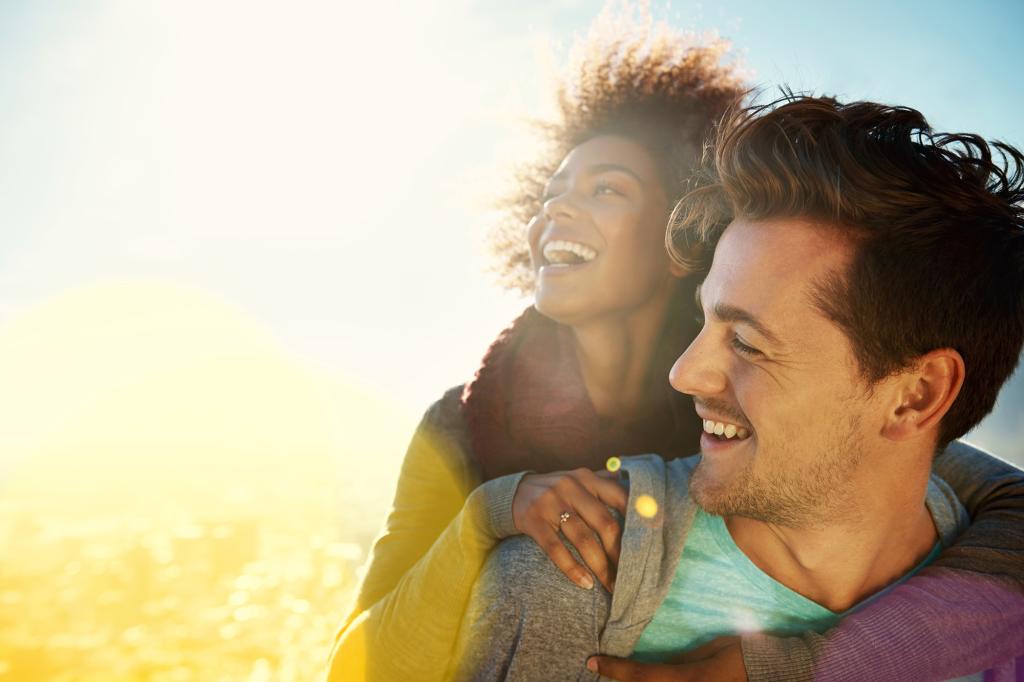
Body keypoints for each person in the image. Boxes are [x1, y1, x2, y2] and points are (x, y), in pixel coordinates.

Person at [327, 10, 1024, 681]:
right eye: (551, 191)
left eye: (607, 188)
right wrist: (486, 514)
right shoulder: (465, 428)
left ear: (678, 242)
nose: (556, 211)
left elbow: (963, 486)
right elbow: (358, 667)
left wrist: (803, 667)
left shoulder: (780, 402)